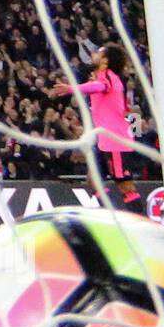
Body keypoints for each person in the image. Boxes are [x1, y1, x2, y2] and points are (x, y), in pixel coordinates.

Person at [48, 43, 142, 214]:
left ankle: (142, 223)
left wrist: (71, 89)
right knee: (93, 180)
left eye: (99, 52)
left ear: (105, 60)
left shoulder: (107, 76)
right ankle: (112, 216)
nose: (94, 54)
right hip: (103, 140)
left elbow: (100, 87)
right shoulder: (104, 76)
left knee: (125, 186)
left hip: (115, 140)